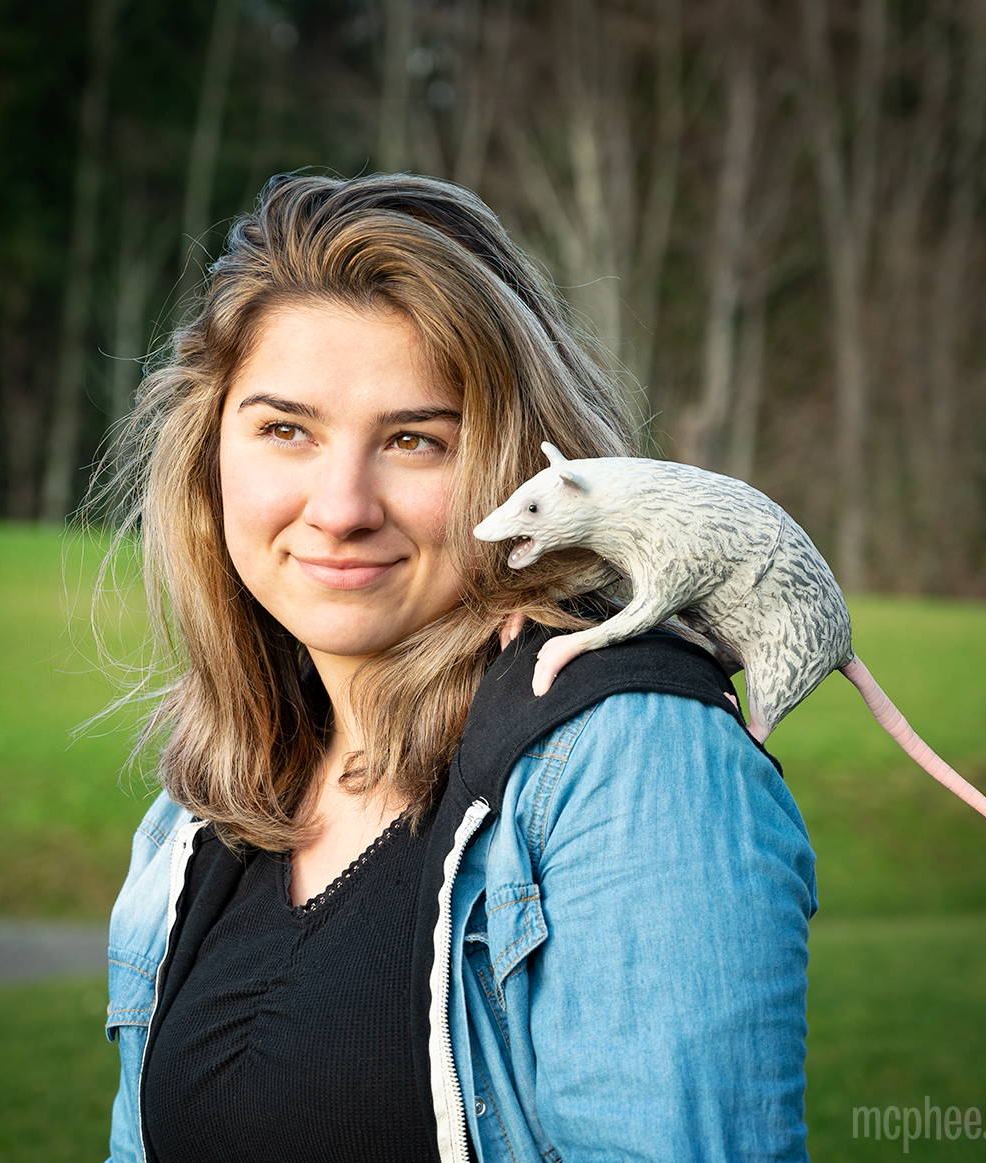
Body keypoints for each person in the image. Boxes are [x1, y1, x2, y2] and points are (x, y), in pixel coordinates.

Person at [100, 172, 817, 1163]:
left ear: (522, 469)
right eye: (285, 429)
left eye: (413, 441)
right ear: (210, 453)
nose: (342, 504)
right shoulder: (200, 808)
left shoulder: (635, 762)